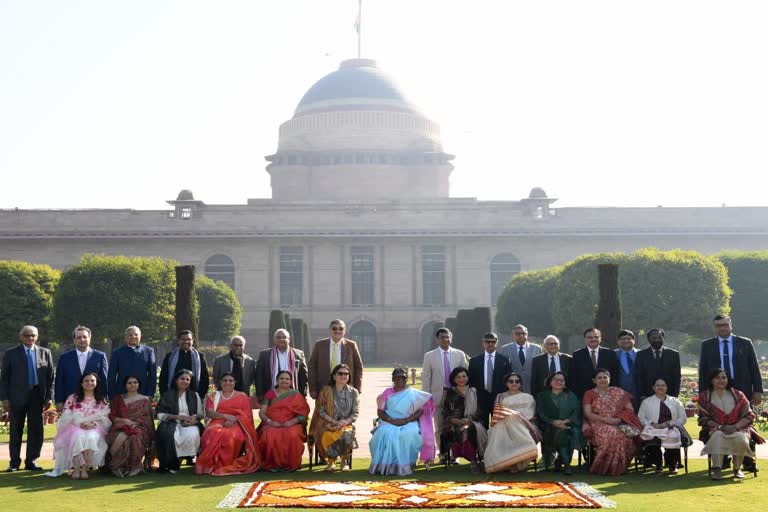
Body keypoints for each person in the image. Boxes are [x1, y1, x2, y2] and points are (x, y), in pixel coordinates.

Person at [0, 325, 55, 472]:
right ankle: (14, 463)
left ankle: (31, 461)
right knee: (16, 430)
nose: (30, 338)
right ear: (21, 337)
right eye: (27, 335)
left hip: (38, 397)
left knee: (36, 430)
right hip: (16, 397)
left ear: (37, 336)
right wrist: (4, 398)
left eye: (33, 335)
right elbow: (4, 378)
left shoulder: (45, 353)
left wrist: (49, 397)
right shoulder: (11, 353)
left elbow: (50, 378)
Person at [698, 368, 764, 480]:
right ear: (711, 380)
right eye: (717, 378)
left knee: (740, 438)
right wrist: (720, 427)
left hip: (738, 428)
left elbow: (749, 415)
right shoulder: (705, 397)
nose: (721, 380)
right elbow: (703, 418)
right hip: (717, 429)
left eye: (724, 377)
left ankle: (737, 469)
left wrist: (735, 427)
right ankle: (717, 469)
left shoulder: (738, 395)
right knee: (717, 436)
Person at [369, 368, 435, 475]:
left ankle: (409, 463)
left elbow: (420, 411)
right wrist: (392, 420)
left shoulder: (413, 393)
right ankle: (383, 465)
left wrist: (406, 420)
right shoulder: (387, 392)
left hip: (409, 422)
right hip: (389, 421)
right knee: (382, 433)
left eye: (403, 377)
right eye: (397, 377)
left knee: (410, 433)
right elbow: (380, 411)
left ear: (407, 379)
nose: (400, 380)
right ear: (393, 379)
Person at [46, 372, 111, 479]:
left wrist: (93, 423)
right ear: (81, 383)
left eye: (92, 381)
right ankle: (76, 468)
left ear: (96, 383)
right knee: (78, 437)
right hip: (75, 426)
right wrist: (79, 423)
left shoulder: (101, 399)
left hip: (94, 428)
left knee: (90, 437)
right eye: (86, 381)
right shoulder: (73, 398)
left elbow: (105, 416)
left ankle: (84, 468)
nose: (89, 383)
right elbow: (66, 414)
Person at [195, 373, 260, 475]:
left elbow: (247, 415)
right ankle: (210, 465)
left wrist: (235, 419)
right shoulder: (212, 396)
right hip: (217, 420)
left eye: (231, 381)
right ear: (220, 382)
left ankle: (225, 464)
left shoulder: (242, 396)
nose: (228, 383)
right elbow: (210, 413)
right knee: (212, 432)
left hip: (238, 423)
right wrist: (226, 416)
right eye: (225, 380)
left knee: (230, 436)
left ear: (235, 383)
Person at [582, 368, 642, 476]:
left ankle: (620, 467)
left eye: (605, 377)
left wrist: (618, 419)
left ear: (609, 379)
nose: (602, 380)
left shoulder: (618, 392)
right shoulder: (589, 393)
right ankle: (605, 468)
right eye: (599, 378)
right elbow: (588, 414)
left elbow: (630, 410)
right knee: (613, 433)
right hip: (597, 422)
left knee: (624, 435)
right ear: (594, 380)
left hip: (618, 421)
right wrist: (605, 419)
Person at [421, 327, 468, 460]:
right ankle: (443, 454)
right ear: (437, 339)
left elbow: (465, 375)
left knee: (456, 426)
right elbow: (426, 377)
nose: (445, 339)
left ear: (451, 338)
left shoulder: (459, 354)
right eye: (442, 337)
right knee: (440, 427)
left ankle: (454, 455)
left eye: (447, 337)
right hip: (438, 397)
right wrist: (427, 396)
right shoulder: (429, 356)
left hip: (457, 396)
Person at [698, 315, 762, 406]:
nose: (722, 328)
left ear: (731, 325)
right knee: (719, 418)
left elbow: (754, 368)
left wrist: (757, 391)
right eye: (718, 326)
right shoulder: (707, 345)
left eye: (725, 325)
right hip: (716, 390)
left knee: (744, 418)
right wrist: (702, 393)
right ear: (714, 328)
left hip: (742, 388)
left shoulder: (745, 343)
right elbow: (703, 371)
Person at [483, 371, 540, 473]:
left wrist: (515, 418)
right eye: (511, 381)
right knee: (497, 430)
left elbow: (530, 414)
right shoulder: (500, 396)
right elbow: (498, 413)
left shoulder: (528, 397)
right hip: (503, 423)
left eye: (517, 381)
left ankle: (519, 464)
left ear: (520, 383)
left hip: (524, 424)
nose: (514, 383)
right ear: (506, 383)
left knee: (515, 425)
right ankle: (505, 465)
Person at [310, 364, 360, 472]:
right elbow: (321, 411)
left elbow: (355, 413)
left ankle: (344, 461)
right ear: (334, 376)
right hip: (328, 423)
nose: (343, 376)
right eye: (340, 373)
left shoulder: (354, 392)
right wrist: (334, 422)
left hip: (346, 424)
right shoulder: (326, 391)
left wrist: (344, 422)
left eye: (346, 374)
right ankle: (331, 462)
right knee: (327, 433)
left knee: (346, 434)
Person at [257, 370, 310, 472]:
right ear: (277, 380)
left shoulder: (296, 395)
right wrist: (271, 422)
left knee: (292, 434)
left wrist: (292, 422)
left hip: (292, 423)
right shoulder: (271, 394)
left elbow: (304, 414)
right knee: (269, 434)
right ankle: (273, 465)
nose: (284, 381)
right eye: (281, 378)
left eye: (287, 379)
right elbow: (262, 412)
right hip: (272, 423)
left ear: (291, 381)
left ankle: (290, 465)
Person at [155, 369, 205, 473]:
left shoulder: (194, 395)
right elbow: (159, 414)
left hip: (190, 423)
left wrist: (194, 418)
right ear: (176, 380)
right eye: (182, 379)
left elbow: (201, 413)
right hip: (171, 422)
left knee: (193, 433)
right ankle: (172, 463)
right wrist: (177, 416)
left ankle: (186, 458)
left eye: (188, 379)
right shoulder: (167, 395)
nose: (185, 381)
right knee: (172, 435)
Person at [439, 367, 487, 473]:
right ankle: (474, 462)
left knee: (470, 428)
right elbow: (444, 412)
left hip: (472, 423)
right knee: (467, 429)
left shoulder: (474, 392)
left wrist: (469, 420)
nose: (462, 379)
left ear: (468, 377)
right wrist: (456, 421)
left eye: (464, 376)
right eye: (458, 377)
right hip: (453, 425)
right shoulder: (449, 393)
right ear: (454, 379)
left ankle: (474, 461)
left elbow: (479, 412)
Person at [638, 377, 689, 475]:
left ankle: (672, 465)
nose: (660, 387)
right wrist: (653, 424)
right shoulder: (647, 402)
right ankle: (658, 465)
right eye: (658, 385)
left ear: (666, 387)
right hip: (654, 428)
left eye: (663, 385)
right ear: (653, 387)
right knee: (652, 439)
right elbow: (641, 418)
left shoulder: (675, 401)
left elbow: (683, 418)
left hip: (671, 427)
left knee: (673, 437)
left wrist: (671, 423)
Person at [107, 375, 155, 477]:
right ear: (125, 385)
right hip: (121, 426)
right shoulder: (118, 399)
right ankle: (118, 466)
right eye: (129, 383)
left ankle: (135, 467)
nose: (132, 385)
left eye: (135, 382)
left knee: (134, 437)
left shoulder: (145, 400)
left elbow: (148, 418)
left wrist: (135, 423)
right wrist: (123, 420)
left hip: (140, 426)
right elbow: (112, 415)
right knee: (118, 436)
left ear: (139, 385)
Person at [537, 371, 582, 475]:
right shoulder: (542, 396)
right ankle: (566, 464)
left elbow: (576, 411)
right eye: (556, 380)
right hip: (548, 426)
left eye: (561, 380)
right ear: (550, 382)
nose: (559, 382)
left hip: (569, 424)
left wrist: (565, 421)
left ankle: (563, 463)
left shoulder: (571, 395)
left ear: (565, 383)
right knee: (563, 434)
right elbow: (541, 413)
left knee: (566, 433)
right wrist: (553, 422)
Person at [54, 326, 108, 411]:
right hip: (70, 401)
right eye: (79, 337)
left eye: (85, 337)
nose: (82, 339)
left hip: (94, 402)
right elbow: (59, 381)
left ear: (89, 338)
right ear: (74, 340)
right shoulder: (64, 358)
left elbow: (104, 380)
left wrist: (105, 398)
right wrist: (58, 401)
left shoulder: (100, 356)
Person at [307, 319, 363, 400]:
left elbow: (358, 368)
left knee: (345, 412)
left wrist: (357, 389)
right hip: (324, 389)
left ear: (344, 331)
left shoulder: (351, 345)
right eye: (334, 328)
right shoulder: (319, 345)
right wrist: (312, 389)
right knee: (324, 412)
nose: (337, 331)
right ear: (330, 330)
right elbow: (312, 367)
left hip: (346, 390)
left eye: (340, 329)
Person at [468, 332, 512, 427]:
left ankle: (496, 442)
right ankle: (484, 442)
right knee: (481, 426)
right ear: (483, 343)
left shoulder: (505, 360)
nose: (490, 344)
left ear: (497, 342)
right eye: (487, 342)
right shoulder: (474, 361)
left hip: (499, 398)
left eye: (493, 341)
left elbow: (509, 380)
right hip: (481, 397)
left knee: (498, 426)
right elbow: (471, 380)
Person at [255, 329, 308, 401]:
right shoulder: (265, 355)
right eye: (278, 337)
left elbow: (304, 376)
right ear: (274, 340)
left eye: (284, 337)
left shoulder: (298, 354)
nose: (281, 339)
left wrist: (303, 394)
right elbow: (259, 376)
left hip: (293, 396)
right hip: (271, 395)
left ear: (289, 339)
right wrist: (260, 394)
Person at [569, 328, 620, 400]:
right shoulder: (577, 355)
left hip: (606, 394)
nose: (593, 339)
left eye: (596, 337)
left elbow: (615, 375)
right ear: (585, 339)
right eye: (590, 337)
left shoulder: (610, 353)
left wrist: (613, 392)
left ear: (600, 338)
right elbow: (574, 376)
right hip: (584, 394)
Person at [107, 326, 157, 400]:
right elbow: (111, 376)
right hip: (122, 393)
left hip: (143, 393)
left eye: (136, 334)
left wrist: (150, 394)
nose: (133, 337)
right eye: (130, 335)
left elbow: (152, 375)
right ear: (126, 337)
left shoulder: (149, 352)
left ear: (140, 336)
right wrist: (112, 396)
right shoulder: (117, 353)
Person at [159, 330, 210, 399]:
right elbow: (163, 377)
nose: (186, 342)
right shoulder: (170, 356)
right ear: (178, 341)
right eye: (183, 339)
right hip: (173, 395)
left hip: (193, 395)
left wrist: (200, 395)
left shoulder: (200, 357)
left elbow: (205, 378)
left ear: (192, 341)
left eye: (189, 339)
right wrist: (164, 394)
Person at [634, 328, 681, 401]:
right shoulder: (641, 355)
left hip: (669, 395)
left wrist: (675, 395)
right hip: (647, 396)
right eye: (654, 338)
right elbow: (639, 376)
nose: (657, 340)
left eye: (659, 337)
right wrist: (642, 395)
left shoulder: (673, 354)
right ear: (648, 339)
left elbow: (677, 377)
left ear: (663, 338)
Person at [498, 324, 542, 393]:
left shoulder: (537, 349)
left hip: (532, 387)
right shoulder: (505, 349)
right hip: (512, 388)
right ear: (513, 335)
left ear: (527, 334)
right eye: (518, 333)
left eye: (523, 333)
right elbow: (502, 370)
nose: (521, 335)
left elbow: (540, 369)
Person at [614, 329, 639, 408]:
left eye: (628, 338)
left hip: (638, 394)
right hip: (618, 395)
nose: (626, 340)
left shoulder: (642, 354)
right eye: (623, 339)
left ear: (634, 340)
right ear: (618, 341)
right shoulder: (613, 354)